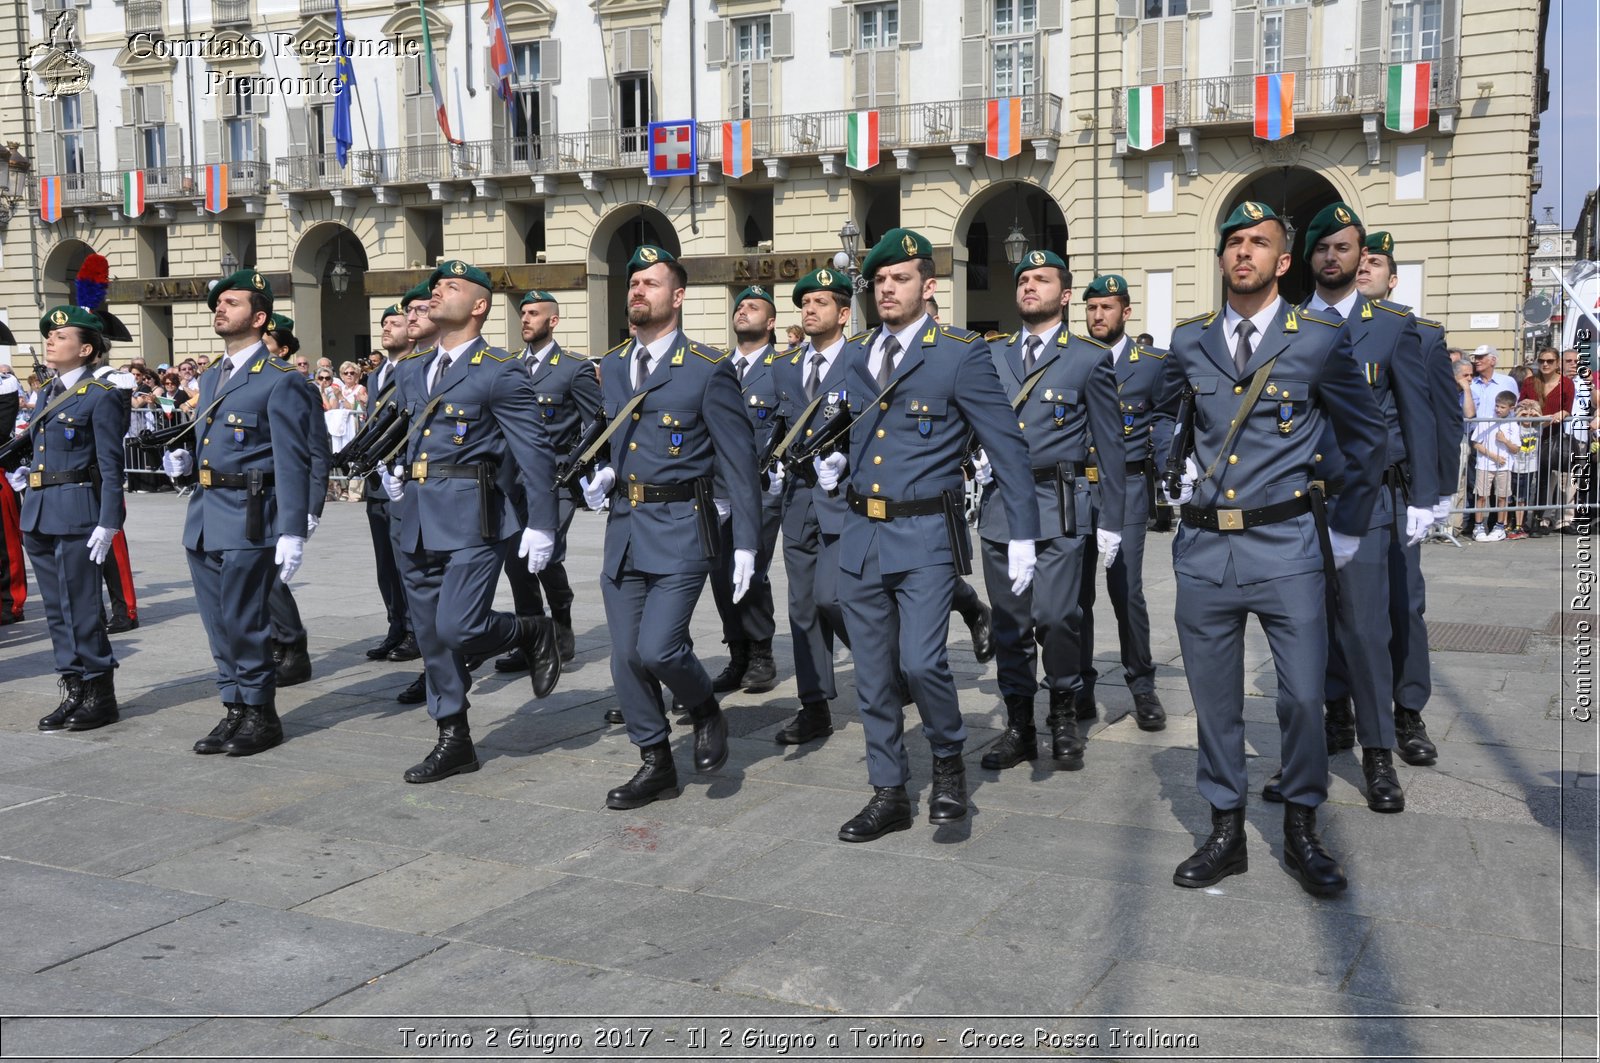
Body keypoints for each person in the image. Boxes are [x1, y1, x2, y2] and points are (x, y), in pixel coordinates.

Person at [1161, 201, 1384, 897]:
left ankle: (1302, 826)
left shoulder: (1315, 336)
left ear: (1283, 261)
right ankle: (1224, 827)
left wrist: (1346, 526)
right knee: (1215, 698)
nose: (1244, 252)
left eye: (1259, 242)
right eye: (1233, 241)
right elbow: (1169, 417)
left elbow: (1366, 435)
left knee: (1300, 696)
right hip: (1204, 549)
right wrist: (1169, 471)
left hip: (1287, 543)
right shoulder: (1188, 338)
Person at [825, 228, 1039, 841]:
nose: (886, 289)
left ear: (928, 286)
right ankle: (887, 790)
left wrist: (1022, 532)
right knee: (871, 674)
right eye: (879, 280)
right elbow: (857, 430)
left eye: (900, 279)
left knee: (921, 664)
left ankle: (947, 766)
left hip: (923, 534)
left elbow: (1006, 445)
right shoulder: (856, 353)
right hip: (862, 532)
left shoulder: (959, 353)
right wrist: (833, 461)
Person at [1258, 205, 1435, 816]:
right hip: (1296, 505)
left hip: (1365, 503)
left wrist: (1425, 496)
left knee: (1364, 628)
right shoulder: (1286, 326)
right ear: (1308, 259)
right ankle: (1304, 753)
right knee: (1301, 630)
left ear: (1363, 257)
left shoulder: (1391, 326)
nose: (1333, 257)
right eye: (1323, 247)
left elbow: (1418, 413)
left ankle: (1379, 754)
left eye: (1345, 247)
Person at [578, 244, 759, 810]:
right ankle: (654, 759)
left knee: (660, 648)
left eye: (650, 284)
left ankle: (704, 707)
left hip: (683, 525)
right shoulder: (609, 366)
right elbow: (602, 437)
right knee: (626, 655)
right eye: (633, 283)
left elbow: (739, 462)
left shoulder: (707, 369)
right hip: (625, 526)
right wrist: (598, 475)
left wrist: (748, 543)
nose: (637, 291)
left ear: (677, 297)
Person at [380, 260, 564, 783]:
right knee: (432, 638)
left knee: (457, 626)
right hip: (415, 514)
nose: (437, 292)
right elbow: (410, 434)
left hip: (474, 517)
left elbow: (534, 451)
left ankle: (530, 629)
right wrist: (398, 469)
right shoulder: (413, 369)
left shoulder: (499, 369)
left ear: (479, 305)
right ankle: (453, 736)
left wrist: (543, 524)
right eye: (435, 286)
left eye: (450, 287)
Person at [975, 252, 1125, 776]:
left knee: (1059, 618)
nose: (1029, 285)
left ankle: (1064, 711)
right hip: (1001, 510)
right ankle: (1020, 726)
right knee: (1011, 625)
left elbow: (1111, 447)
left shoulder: (1086, 358)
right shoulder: (989, 356)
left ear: (1064, 295)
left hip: (1061, 507)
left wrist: (1112, 518)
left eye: (1041, 279)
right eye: (1022, 279)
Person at [160, 269, 316, 757]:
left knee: (246, 620)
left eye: (231, 302)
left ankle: (261, 713)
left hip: (251, 514)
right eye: (217, 303)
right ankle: (234, 707)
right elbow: (213, 445)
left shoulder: (278, 381)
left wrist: (293, 528)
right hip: (205, 513)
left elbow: (294, 460)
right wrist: (184, 465)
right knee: (218, 623)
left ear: (260, 317)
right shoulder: (211, 377)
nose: (219, 309)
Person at [1356, 232, 1453, 767]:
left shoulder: (1422, 336)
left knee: (1403, 606)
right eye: (1360, 259)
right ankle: (1336, 708)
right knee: (1334, 607)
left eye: (1375, 263)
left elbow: (1440, 418)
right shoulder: (1318, 328)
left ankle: (1407, 710)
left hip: (1394, 493)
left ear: (1392, 280)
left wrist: (1435, 492)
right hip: (1337, 493)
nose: (1364, 268)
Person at [6, 307, 127, 730]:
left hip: (78, 513)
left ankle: (99, 691)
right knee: (57, 610)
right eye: (49, 335)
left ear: (86, 348)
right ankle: (73, 686)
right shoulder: (47, 392)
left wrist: (109, 521)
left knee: (83, 607)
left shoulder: (101, 395)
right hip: (39, 513)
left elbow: (112, 466)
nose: (50, 340)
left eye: (60, 335)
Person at [1076, 272, 1171, 733]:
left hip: (1128, 488)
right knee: (1075, 595)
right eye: (1092, 308)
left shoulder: (1151, 364)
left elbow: (1169, 415)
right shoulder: (1071, 359)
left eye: (1107, 308)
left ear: (1126, 312)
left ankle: (1142, 684)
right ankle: (1080, 686)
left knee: (1126, 590)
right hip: (1076, 488)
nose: (1098, 316)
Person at [492, 289, 600, 683]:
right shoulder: (507, 367)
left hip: (556, 479)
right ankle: (531, 635)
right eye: (523, 312)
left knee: (547, 554)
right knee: (515, 559)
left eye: (534, 313)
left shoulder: (573, 369)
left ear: (552, 321)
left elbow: (595, 424)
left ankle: (562, 618)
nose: (525, 319)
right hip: (512, 477)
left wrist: (588, 470)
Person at [768, 267, 856, 745]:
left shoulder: (861, 361)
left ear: (843, 313)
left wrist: (848, 458)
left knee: (832, 596)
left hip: (845, 498)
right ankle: (814, 704)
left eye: (821, 302)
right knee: (802, 608)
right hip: (800, 497)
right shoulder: (784, 367)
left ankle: (887, 667)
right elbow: (780, 428)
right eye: (805, 302)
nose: (810, 308)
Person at [706, 285, 783, 696]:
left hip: (762, 485)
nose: (743, 311)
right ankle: (737, 652)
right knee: (720, 573)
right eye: (739, 306)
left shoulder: (782, 366)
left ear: (770, 322)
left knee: (751, 569)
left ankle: (761, 653)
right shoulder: (716, 367)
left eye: (753, 307)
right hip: (716, 486)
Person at [261, 313, 330, 688]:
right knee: (258, 577)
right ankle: (274, 643)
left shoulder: (299, 385)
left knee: (272, 577)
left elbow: (318, 450)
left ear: (283, 349)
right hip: (256, 494)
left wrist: (312, 507)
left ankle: (292, 647)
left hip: (285, 497)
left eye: (268, 342)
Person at [360, 302, 420, 670]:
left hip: (401, 479)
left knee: (405, 559)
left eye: (394, 323)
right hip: (376, 480)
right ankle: (395, 623)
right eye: (383, 323)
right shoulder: (376, 374)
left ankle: (415, 629)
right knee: (385, 561)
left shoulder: (418, 369)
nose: (386, 328)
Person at [1520, 346, 1574, 535]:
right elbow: (1520, 406)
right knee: (1525, 480)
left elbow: (1568, 407)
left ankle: (1541, 519)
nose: (1545, 364)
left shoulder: (1566, 383)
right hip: (1529, 437)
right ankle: (1523, 520)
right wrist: (1529, 412)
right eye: (1541, 360)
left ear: (1557, 363)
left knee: (1545, 479)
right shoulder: (1529, 382)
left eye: (1549, 361)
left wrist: (1563, 412)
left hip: (1552, 437)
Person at [1469, 391, 1518, 541]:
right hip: (1485, 464)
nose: (1498, 409)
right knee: (1481, 495)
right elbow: (1476, 443)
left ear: (1511, 408)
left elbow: (1516, 448)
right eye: (1497, 406)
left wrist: (1505, 441)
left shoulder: (1513, 424)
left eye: (1502, 407)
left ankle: (1499, 526)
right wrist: (1493, 456)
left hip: (1504, 467)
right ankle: (1478, 526)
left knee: (1502, 496)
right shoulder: (1486, 421)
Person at [1560, 349, 1594, 532]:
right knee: (1555, 479)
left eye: (1576, 361)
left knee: (1573, 480)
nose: (1573, 364)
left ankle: (1567, 518)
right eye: (1568, 361)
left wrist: (1592, 385)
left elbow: (1595, 405)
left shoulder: (1583, 383)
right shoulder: (1557, 382)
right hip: (1559, 436)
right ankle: (1549, 518)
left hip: (1579, 436)